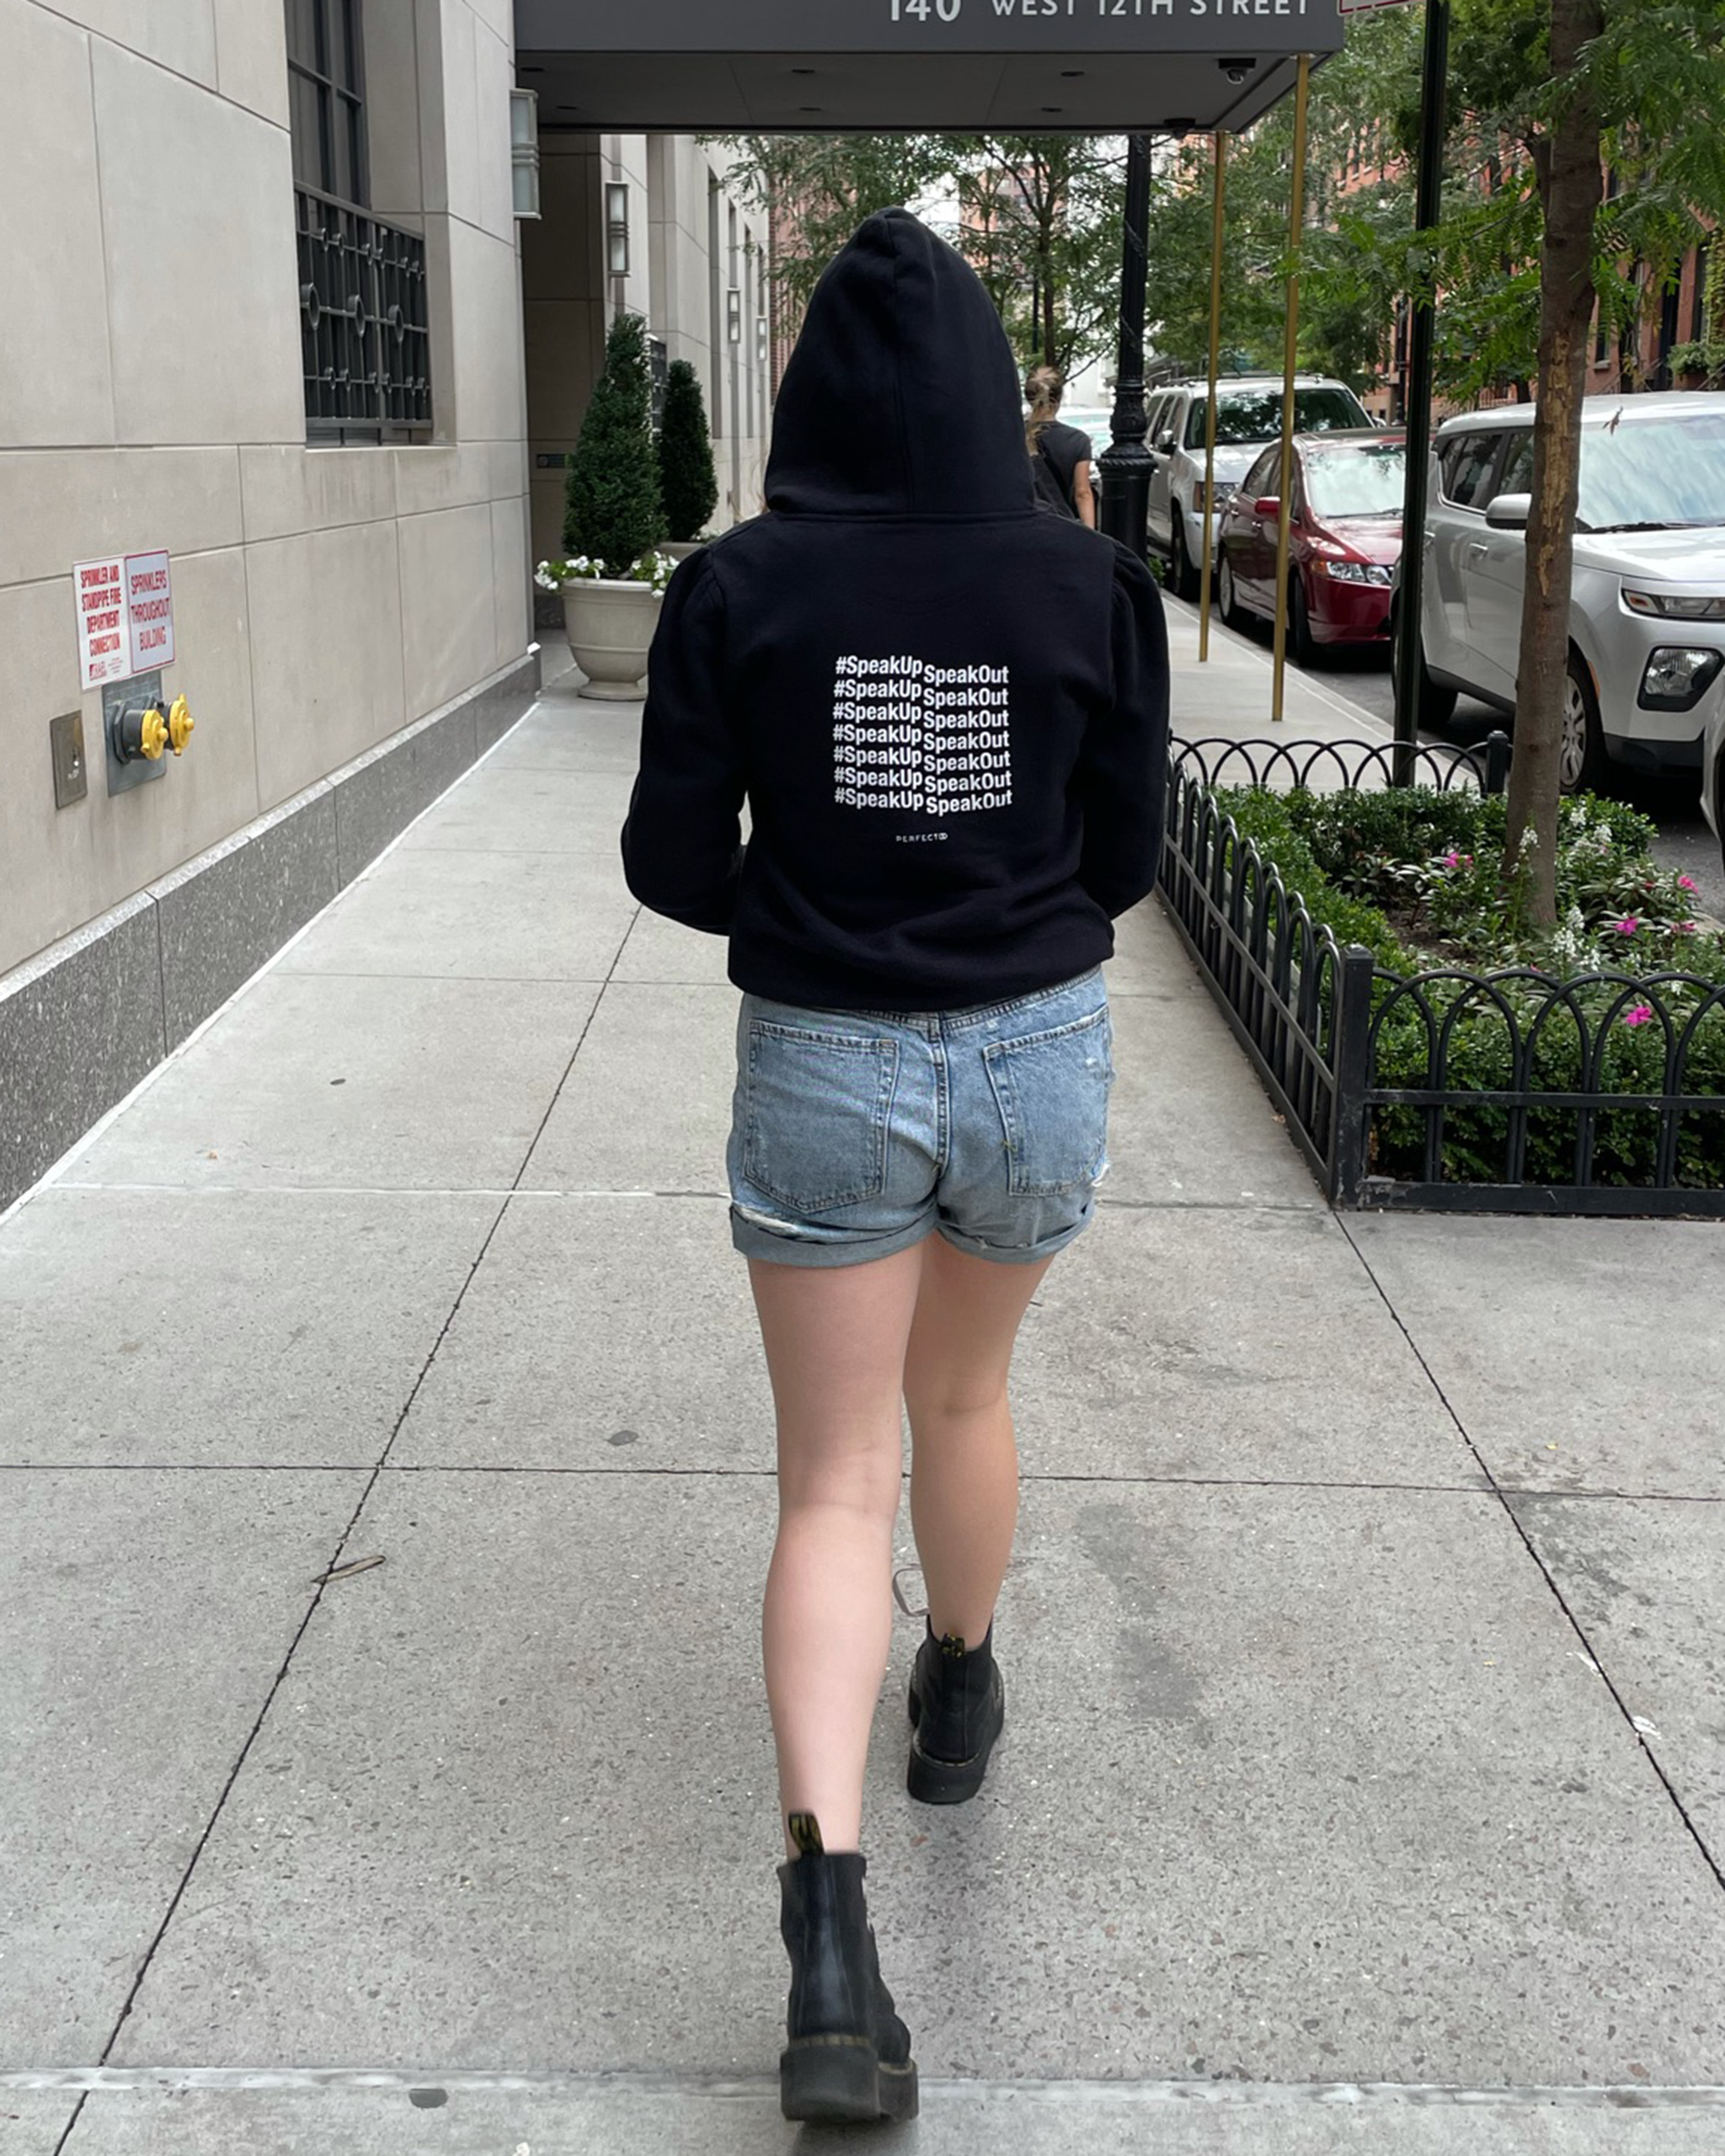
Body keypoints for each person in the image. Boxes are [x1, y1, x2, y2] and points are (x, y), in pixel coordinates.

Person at [620, 209, 1169, 2127]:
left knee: (830, 1478)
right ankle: (956, 1684)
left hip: (822, 1058)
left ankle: (831, 1943)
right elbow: (1120, 858)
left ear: (807, 395)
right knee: (966, 1386)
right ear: (989, 391)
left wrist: (821, 891)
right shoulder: (1087, 582)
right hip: (1035, 1045)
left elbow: (672, 868)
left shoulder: (735, 587)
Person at [1025, 362, 1098, 527]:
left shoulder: (1013, 436)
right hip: (1063, 527)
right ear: (1059, 397)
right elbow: (1083, 493)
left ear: (1029, 398)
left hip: (1022, 526)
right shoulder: (1078, 440)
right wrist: (1090, 534)